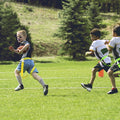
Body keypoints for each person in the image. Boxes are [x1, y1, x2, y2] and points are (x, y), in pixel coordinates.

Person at [9, 30, 48, 96]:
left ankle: (20, 85)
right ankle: (44, 85)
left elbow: (27, 45)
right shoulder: (22, 44)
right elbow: (19, 52)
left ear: (25, 36)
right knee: (34, 75)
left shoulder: (25, 42)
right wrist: (14, 50)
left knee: (16, 72)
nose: (18, 38)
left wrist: (21, 50)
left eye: (20, 37)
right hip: (30, 61)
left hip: (25, 61)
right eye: (17, 37)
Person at [107, 25, 120, 94]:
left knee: (109, 72)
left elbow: (109, 49)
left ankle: (114, 89)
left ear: (114, 33)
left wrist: (106, 45)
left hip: (119, 60)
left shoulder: (114, 39)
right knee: (111, 73)